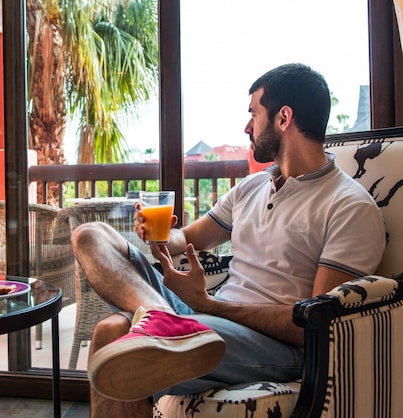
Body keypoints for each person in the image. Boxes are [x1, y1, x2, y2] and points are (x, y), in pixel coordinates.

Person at [70, 63, 387, 417]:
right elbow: (186, 238)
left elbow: (314, 326)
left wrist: (210, 306)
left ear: (283, 118)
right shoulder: (251, 187)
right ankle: (165, 321)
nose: (247, 126)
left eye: (254, 113)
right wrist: (160, 237)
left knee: (112, 332)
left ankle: (172, 330)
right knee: (90, 235)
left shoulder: (349, 206)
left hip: (274, 345)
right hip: (204, 318)